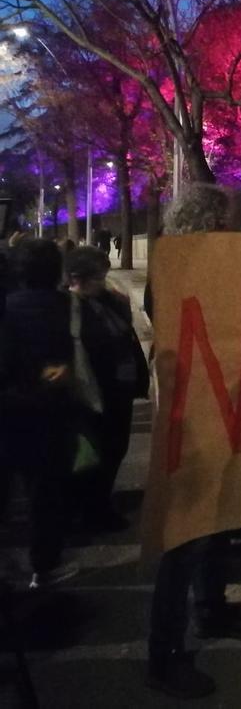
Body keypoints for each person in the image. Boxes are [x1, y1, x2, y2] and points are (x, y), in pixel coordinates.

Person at [145, 184, 241, 700]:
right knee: (185, 540)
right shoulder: (177, 269)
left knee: (217, 522)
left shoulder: (193, 263)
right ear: (210, 223)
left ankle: (212, 611)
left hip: (219, 413)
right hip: (190, 425)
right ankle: (163, 656)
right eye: (224, 222)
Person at [0, 238, 84, 590]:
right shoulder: (69, 307)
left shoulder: (7, 307)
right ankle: (44, 567)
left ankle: (5, 567)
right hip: (51, 412)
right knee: (46, 494)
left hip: (9, 410)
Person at [64, 246, 148, 531]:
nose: (104, 282)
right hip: (95, 394)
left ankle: (98, 504)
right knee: (98, 454)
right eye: (98, 277)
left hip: (118, 391)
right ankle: (93, 509)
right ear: (78, 278)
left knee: (115, 448)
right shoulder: (70, 307)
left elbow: (124, 334)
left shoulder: (107, 302)